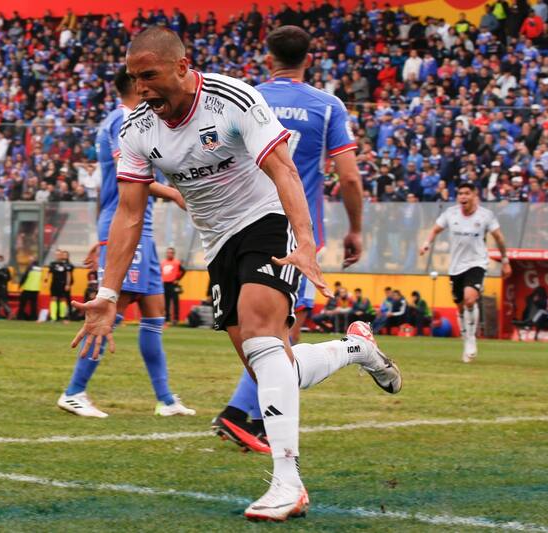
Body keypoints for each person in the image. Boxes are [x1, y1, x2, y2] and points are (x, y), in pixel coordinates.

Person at [71, 27, 401, 522]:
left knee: (262, 337)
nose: (141, 89)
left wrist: (306, 240)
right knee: (271, 367)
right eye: (135, 79)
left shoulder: (233, 100)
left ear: (182, 67)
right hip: (218, 242)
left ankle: (287, 485)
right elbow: (129, 214)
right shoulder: (136, 128)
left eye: (150, 75)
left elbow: (285, 171)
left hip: (268, 221)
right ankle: (356, 349)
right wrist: (108, 292)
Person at [212, 24, 366, 454]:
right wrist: (354, 229)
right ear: (309, 60)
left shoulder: (245, 98)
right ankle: (240, 414)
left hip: (238, 226)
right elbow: (349, 177)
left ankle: (257, 421)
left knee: (269, 325)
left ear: (268, 60)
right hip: (291, 230)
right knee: (282, 329)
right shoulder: (327, 106)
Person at [58, 66, 195, 418]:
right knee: (112, 310)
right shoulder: (124, 121)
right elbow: (129, 176)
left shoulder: (121, 121)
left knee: (154, 313)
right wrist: (175, 194)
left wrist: (99, 235)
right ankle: (74, 391)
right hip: (128, 225)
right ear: (138, 86)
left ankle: (165, 399)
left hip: (135, 227)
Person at [420, 182, 511, 362]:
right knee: (460, 306)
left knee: (470, 299)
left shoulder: (486, 216)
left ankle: (471, 340)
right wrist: (426, 243)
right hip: (455, 267)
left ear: (474, 195)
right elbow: (436, 229)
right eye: (460, 193)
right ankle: (465, 337)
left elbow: (499, 238)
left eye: (466, 193)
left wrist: (505, 261)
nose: (463, 197)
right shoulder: (450, 213)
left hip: (477, 263)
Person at [45, 249, 73, 322]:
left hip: (63, 284)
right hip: (54, 284)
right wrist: (45, 281)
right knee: (53, 299)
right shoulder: (52, 264)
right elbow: (48, 273)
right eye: (56, 254)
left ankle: (62, 316)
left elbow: (68, 275)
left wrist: (67, 284)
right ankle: (53, 317)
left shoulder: (66, 264)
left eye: (59, 254)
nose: (58, 256)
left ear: (61, 255)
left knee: (62, 299)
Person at [161, 247, 185, 325]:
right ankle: (167, 318)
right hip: (165, 284)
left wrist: (178, 279)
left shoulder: (176, 263)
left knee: (175, 302)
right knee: (166, 302)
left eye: (171, 253)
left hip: (173, 284)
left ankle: (176, 319)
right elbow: (160, 272)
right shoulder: (163, 262)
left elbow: (183, 271)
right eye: (168, 252)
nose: (169, 254)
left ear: (173, 254)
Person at [17, 256, 42, 321]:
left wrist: (20, 284)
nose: (29, 261)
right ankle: (33, 317)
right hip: (36, 289)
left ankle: (20, 317)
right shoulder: (40, 268)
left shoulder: (30, 267)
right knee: (33, 305)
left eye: (30, 260)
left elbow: (25, 276)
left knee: (22, 304)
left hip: (27, 288)